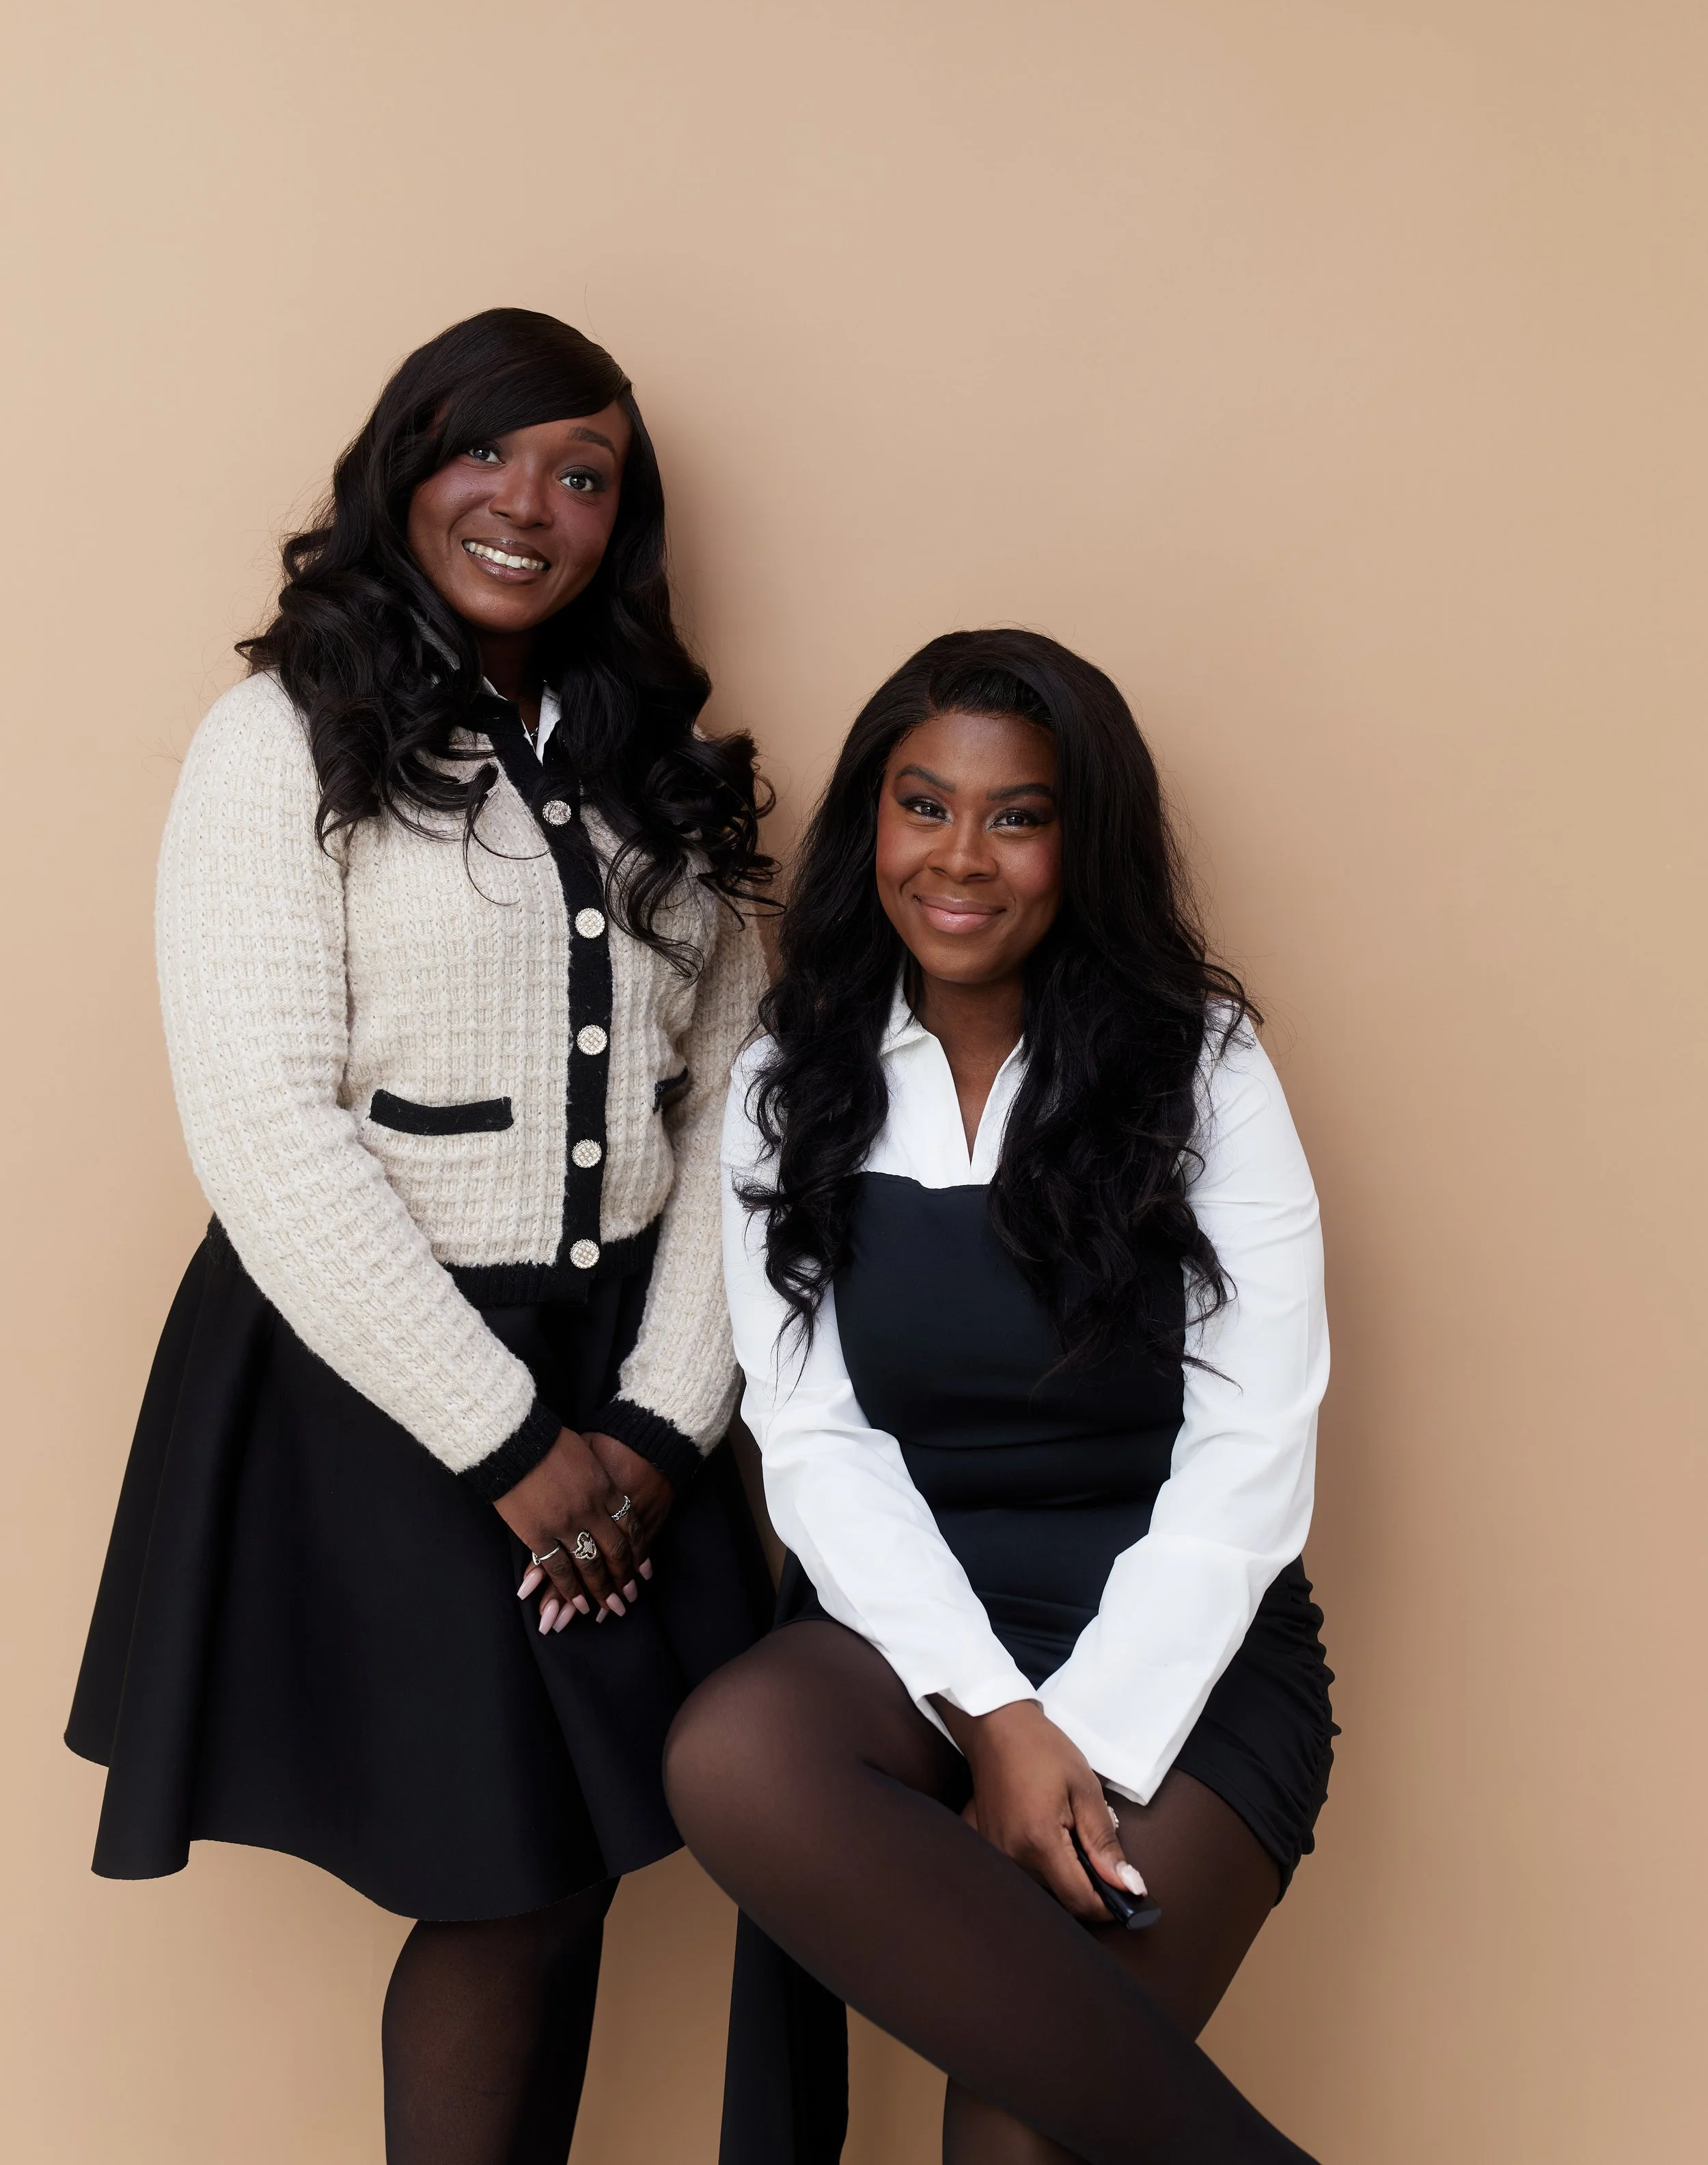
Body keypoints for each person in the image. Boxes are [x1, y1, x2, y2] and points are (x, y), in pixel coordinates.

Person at [67, 308, 775, 2165]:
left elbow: (735, 1118)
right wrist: (512, 1446)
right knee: (498, 1872)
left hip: (624, 1379)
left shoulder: (655, 766)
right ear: (404, 461)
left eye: (583, 475)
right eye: (486, 450)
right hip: (375, 1379)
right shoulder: (276, 737)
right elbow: (264, 1125)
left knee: (570, 1874)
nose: (526, 503)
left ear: (624, 523)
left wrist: (655, 1422)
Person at [666, 629, 1336, 2165]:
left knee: (1016, 2131)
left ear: (1076, 843)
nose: (960, 858)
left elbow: (1255, 1437)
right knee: (730, 1751)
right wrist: (990, 1713)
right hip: (910, 1619)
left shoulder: (1201, 1065)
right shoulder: (795, 1068)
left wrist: (1079, 1738)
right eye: (923, 806)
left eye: (1015, 816)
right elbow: (810, 1432)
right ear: (873, 827)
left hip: (1184, 1638)